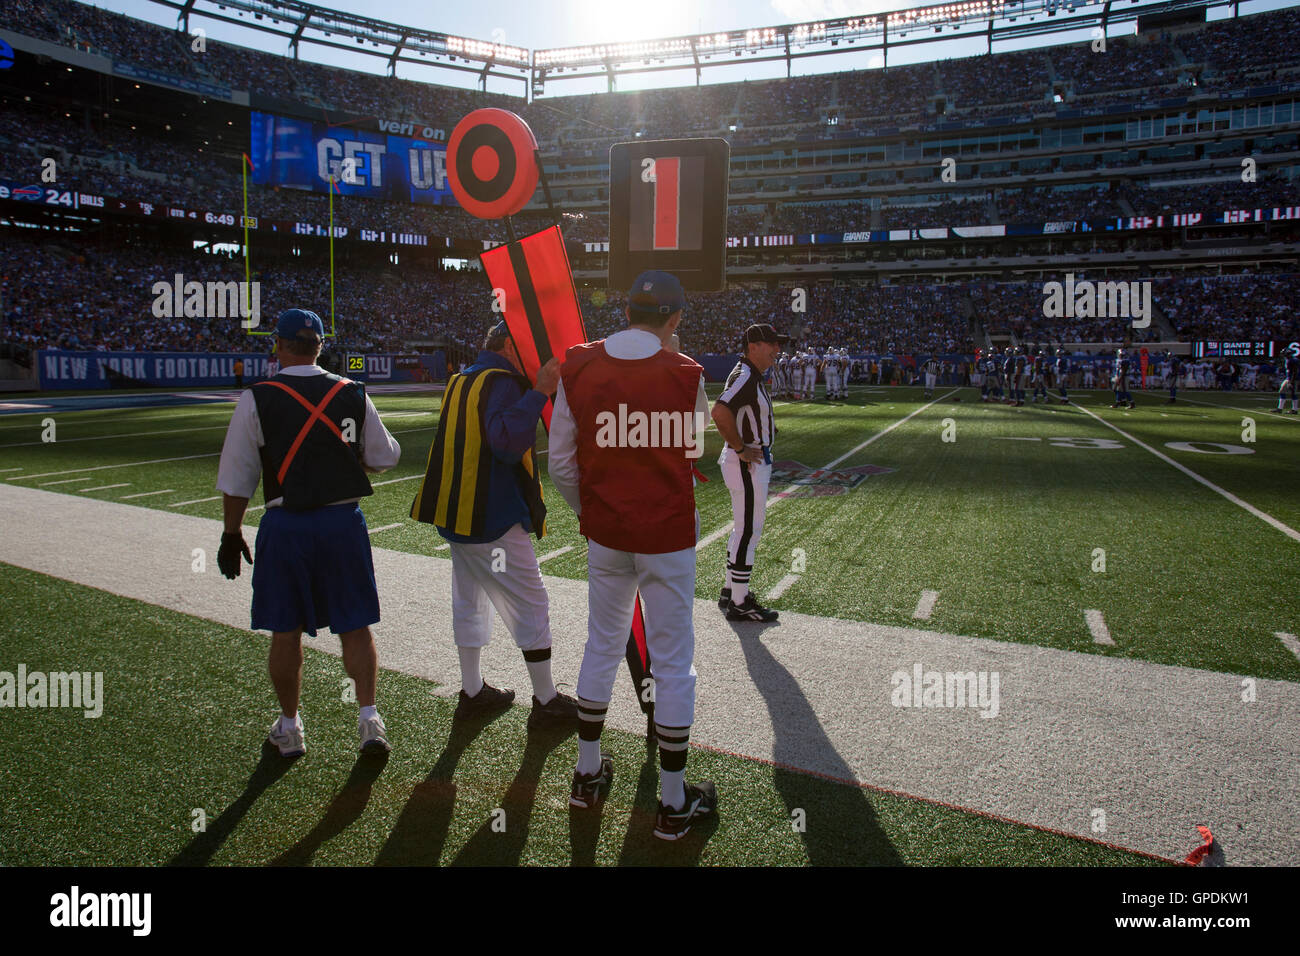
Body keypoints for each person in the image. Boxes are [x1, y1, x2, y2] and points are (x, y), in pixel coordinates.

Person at [549, 270, 717, 840]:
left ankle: (587, 772)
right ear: (673, 320)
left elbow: (561, 464)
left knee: (601, 641)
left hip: (607, 533)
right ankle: (673, 801)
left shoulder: (578, 365)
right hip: (666, 534)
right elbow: (693, 452)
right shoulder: (685, 373)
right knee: (672, 661)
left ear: (626, 312)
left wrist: (590, 511)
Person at [216, 308, 400, 758]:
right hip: (342, 524)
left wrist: (231, 532)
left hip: (286, 526)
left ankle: (291, 726)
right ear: (321, 345)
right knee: (355, 626)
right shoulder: (352, 392)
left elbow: (238, 476)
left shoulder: (257, 397)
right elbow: (386, 456)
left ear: (277, 345)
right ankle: (369, 720)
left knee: (286, 628)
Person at [409, 319, 578, 729]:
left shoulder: (462, 378)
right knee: (530, 602)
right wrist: (539, 392)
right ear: (507, 346)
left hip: (457, 516)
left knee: (469, 601)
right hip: (493, 522)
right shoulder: (503, 381)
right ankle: (545, 698)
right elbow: (506, 444)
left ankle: (471, 691)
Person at [714, 324, 786, 622]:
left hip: (745, 460)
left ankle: (732, 590)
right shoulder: (745, 375)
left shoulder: (748, 374)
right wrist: (741, 447)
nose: (776, 350)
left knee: (742, 528)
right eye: (771, 344)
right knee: (749, 531)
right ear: (753, 345)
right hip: (747, 462)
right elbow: (720, 411)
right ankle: (740, 602)